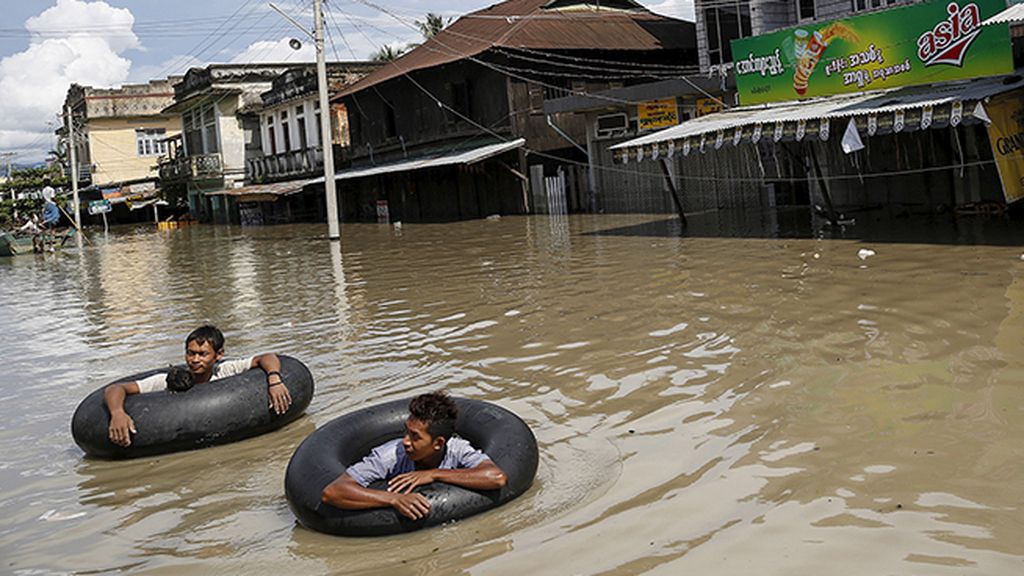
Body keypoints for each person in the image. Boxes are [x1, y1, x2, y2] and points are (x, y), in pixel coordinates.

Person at [321, 391, 507, 520]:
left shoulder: (457, 450)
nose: (405, 441)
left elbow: (496, 478)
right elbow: (333, 492)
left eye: (415, 436)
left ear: (438, 443)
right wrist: (394, 499)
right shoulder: (390, 455)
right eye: (407, 432)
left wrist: (434, 474)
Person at [103, 325, 292, 447]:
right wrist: (118, 413)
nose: (195, 360)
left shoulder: (225, 371)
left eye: (202, 354)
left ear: (218, 355)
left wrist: (274, 379)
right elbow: (116, 388)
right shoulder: (172, 380)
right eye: (190, 353)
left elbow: (267, 357)